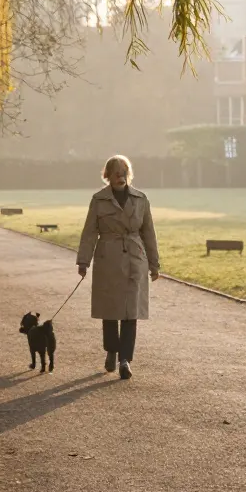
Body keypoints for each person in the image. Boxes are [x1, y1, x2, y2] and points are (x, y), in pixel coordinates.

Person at [76, 154, 160, 381]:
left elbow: (149, 232)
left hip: (135, 260)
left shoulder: (141, 199)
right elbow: (90, 232)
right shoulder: (98, 200)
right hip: (108, 259)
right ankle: (111, 351)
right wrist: (83, 261)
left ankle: (125, 360)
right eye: (116, 171)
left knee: (131, 311)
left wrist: (154, 264)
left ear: (128, 174)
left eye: (124, 171)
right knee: (110, 310)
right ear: (108, 175)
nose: (120, 175)